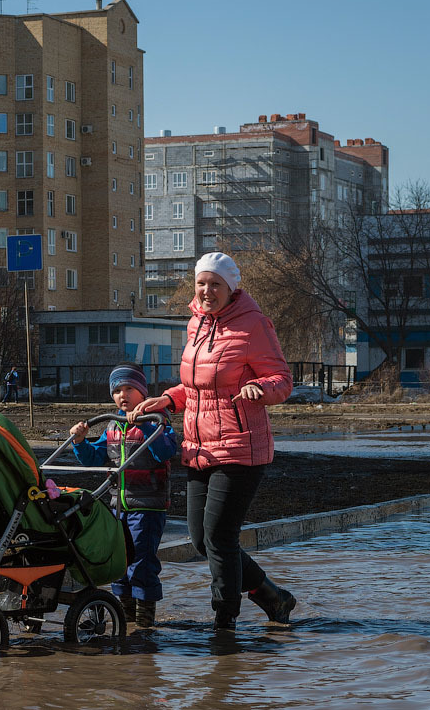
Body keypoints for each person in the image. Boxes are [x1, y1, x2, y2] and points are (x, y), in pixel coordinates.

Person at [130, 252, 296, 631]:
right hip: (199, 447)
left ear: (230, 288)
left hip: (241, 447)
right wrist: (169, 399)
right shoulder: (196, 324)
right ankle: (273, 596)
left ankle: (224, 622)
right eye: (201, 283)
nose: (207, 291)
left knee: (220, 536)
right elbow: (198, 387)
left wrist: (259, 387)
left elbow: (282, 380)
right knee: (201, 539)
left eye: (215, 284)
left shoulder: (253, 325)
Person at [70, 362, 178, 628]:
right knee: (118, 559)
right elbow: (94, 457)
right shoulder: (113, 426)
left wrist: (148, 424)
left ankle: (144, 620)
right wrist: (80, 441)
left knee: (141, 560)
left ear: (142, 392)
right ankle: (125, 616)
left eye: (129, 389)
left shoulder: (158, 420)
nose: (123, 395)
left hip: (147, 506)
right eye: (118, 390)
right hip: (117, 506)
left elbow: (165, 451)